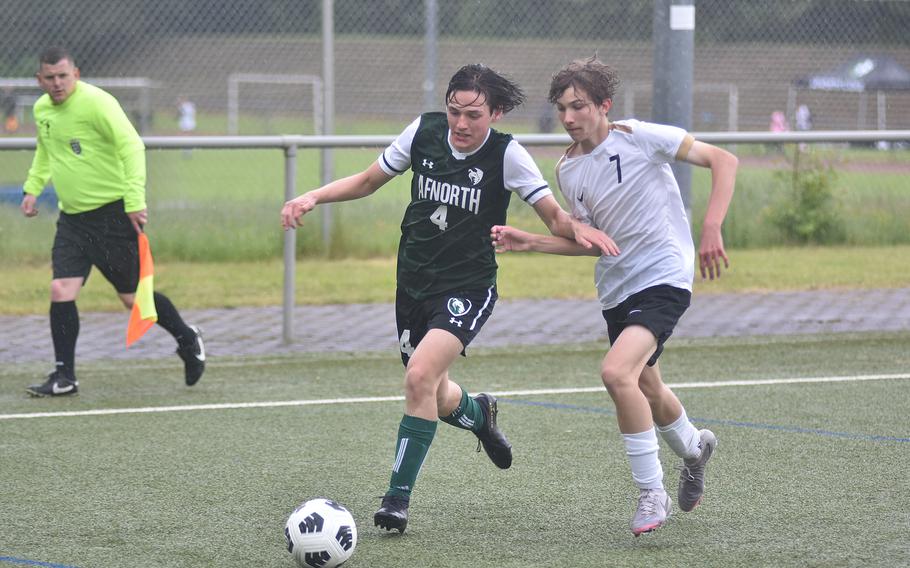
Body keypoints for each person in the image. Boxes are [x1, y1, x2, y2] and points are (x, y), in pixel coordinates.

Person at [281, 63, 613, 534]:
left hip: (468, 286)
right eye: (454, 111)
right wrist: (312, 197)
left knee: (418, 376)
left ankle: (396, 500)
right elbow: (368, 181)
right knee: (433, 394)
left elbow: (553, 217)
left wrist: (577, 227)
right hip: (412, 282)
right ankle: (479, 414)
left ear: (495, 113)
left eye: (473, 115)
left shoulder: (507, 154)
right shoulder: (423, 131)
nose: (460, 124)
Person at [491, 57, 738, 536]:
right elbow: (593, 244)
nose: (568, 117)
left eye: (579, 106)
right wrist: (531, 240)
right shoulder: (567, 170)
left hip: (665, 275)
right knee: (646, 385)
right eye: (562, 108)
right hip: (617, 290)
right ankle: (694, 447)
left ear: (604, 105)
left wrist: (711, 225)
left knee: (615, 372)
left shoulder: (637, 135)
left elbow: (722, 160)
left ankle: (651, 491)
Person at [20, 47, 206, 397]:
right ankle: (65, 377)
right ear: (39, 80)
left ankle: (186, 337)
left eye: (63, 76)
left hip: (112, 217)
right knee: (61, 290)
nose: (57, 84)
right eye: (50, 77)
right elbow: (46, 151)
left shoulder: (98, 103)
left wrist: (134, 201)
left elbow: (132, 147)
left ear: (75, 72)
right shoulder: (42, 108)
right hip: (72, 220)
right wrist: (32, 188)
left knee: (132, 298)